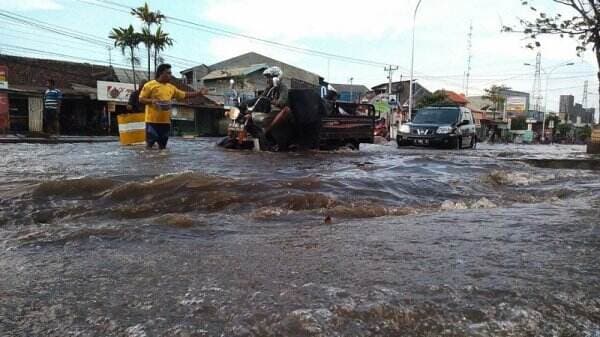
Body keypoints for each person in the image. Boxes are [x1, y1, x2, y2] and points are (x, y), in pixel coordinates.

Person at [138, 64, 208, 149]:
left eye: (170, 73)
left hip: (165, 122)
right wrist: (152, 101)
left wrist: (199, 93)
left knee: (163, 148)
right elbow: (141, 99)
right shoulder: (149, 85)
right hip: (152, 122)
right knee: (149, 145)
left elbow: (184, 94)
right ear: (161, 73)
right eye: (168, 73)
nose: (170, 75)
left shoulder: (171, 87)